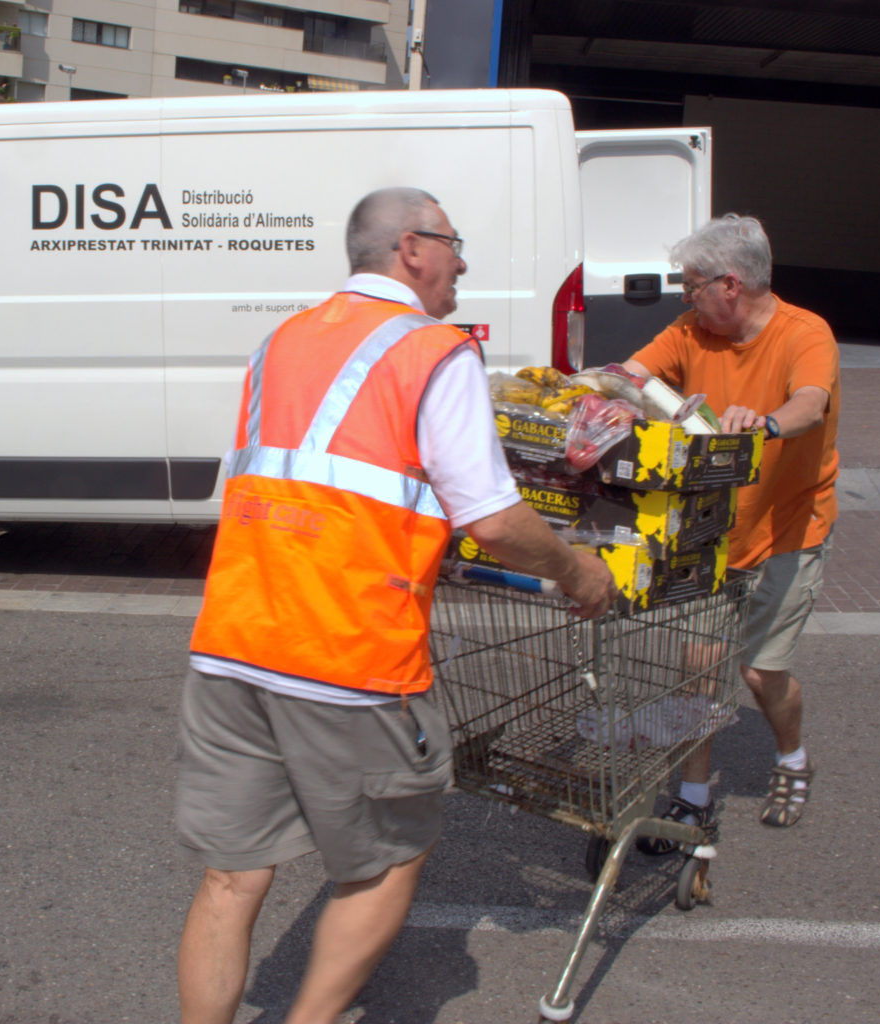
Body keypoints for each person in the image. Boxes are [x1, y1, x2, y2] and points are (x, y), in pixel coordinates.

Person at [175, 187, 617, 1024]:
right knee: (383, 865)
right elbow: (492, 520)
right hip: (348, 656)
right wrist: (575, 572)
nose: (461, 262)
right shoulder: (431, 351)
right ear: (411, 249)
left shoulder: (284, 339)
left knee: (232, 875)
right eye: (453, 243)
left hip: (234, 641)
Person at [622, 213, 840, 850]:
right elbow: (633, 373)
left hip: (788, 527)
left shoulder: (806, 333)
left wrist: (766, 423)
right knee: (697, 665)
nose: (685, 301)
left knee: (759, 675)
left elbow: (811, 403)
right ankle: (691, 800)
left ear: (730, 285)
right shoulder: (693, 331)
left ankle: (793, 757)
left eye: (691, 288)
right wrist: (605, 392)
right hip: (711, 531)